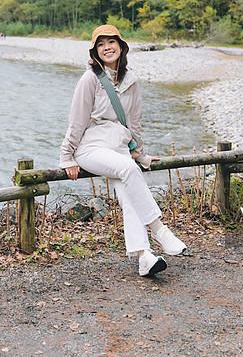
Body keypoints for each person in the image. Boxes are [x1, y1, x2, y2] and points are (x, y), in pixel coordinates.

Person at [60, 24, 187, 277]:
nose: (107, 47)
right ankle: (159, 229)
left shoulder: (131, 80)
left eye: (111, 42)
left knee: (129, 197)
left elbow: (134, 121)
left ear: (121, 46)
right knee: (127, 168)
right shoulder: (90, 79)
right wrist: (66, 156)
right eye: (100, 44)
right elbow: (77, 120)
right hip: (92, 149)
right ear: (95, 51)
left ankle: (144, 257)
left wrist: (141, 153)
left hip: (119, 151)